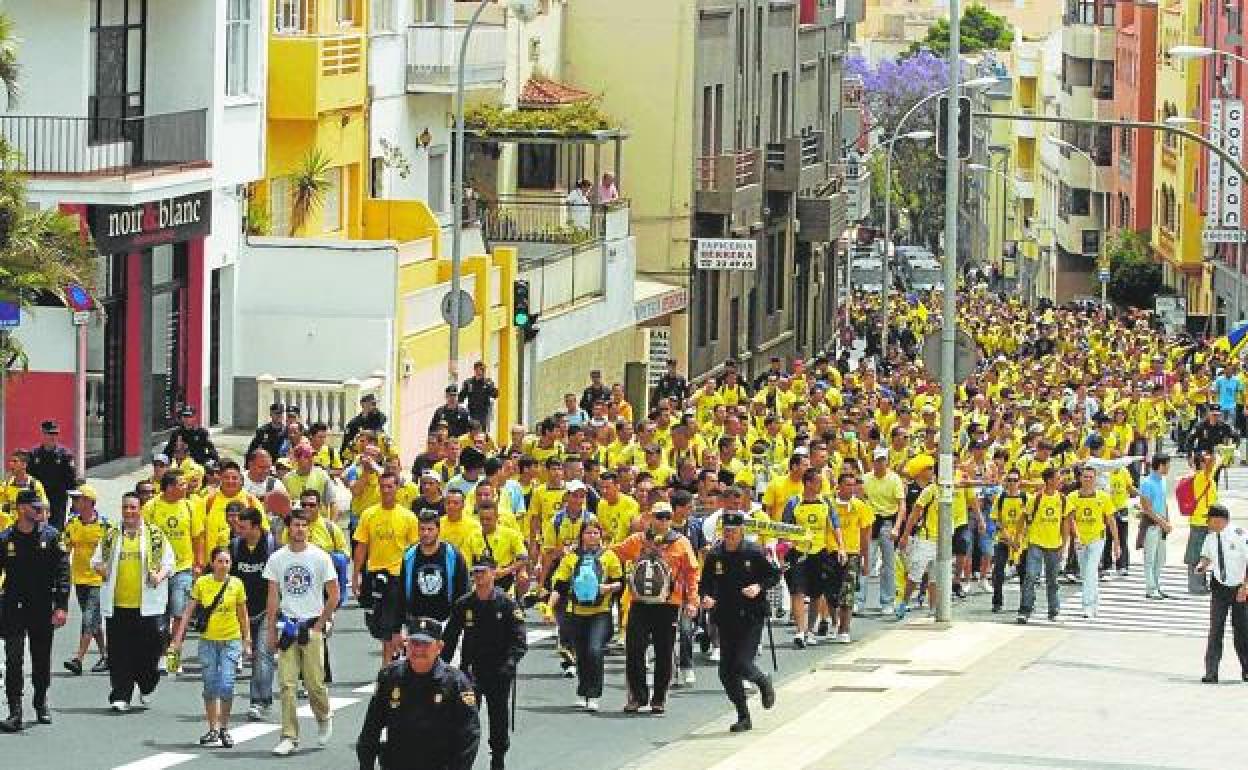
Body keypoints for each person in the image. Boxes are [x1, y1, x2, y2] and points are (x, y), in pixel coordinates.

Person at [356, 617, 480, 770]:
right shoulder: (390, 677)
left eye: (426, 644)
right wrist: (366, 764)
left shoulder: (456, 683)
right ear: (407, 645)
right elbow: (371, 727)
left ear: (439, 647)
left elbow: (469, 735)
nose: (419, 650)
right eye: (414, 643)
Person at [611, 502, 700, 715]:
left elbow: (692, 573)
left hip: (668, 605)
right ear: (650, 517)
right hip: (640, 603)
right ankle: (637, 696)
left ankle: (658, 698)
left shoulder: (681, 543)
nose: (663, 521)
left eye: (667, 517)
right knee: (634, 649)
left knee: (664, 652)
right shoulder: (638, 540)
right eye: (659, 516)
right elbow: (615, 553)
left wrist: (692, 601)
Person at [265, 509, 339, 756]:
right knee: (286, 685)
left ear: (309, 528)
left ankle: (324, 715)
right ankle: (289, 736)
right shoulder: (277, 559)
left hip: (312, 625)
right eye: (295, 525)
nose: (299, 529)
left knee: (314, 683)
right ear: (288, 528)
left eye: (303, 525)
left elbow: (334, 594)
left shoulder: (320, 558)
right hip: (287, 625)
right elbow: (273, 596)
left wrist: (320, 625)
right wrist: (271, 630)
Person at [442, 556, 528, 770]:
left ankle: (498, 757)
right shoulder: (465, 604)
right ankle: (463, 761)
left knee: (498, 717)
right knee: (466, 719)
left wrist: (510, 662)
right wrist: (441, 665)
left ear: (493, 573)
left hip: (499, 670)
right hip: (472, 671)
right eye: (476, 572)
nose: (479, 576)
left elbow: (519, 639)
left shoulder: (507, 604)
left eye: (483, 571)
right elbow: (450, 636)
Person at [92, 492, 174, 713]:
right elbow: (96, 561)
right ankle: (121, 694)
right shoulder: (111, 535)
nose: (129, 512)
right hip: (118, 605)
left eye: (133, 508)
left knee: (148, 651)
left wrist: (159, 576)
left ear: (140, 509)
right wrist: (101, 569)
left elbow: (169, 562)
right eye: (125, 507)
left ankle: (147, 684)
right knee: (119, 652)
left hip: (147, 606)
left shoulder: (155, 535)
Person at [698, 511, 779, 733]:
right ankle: (743, 715)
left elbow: (774, 575)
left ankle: (763, 682)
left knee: (742, 663)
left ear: (742, 531)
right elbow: (705, 583)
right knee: (726, 672)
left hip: (751, 615)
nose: (730, 535)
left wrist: (759, 587)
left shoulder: (753, 552)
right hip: (725, 616)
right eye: (726, 532)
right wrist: (706, 597)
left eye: (733, 531)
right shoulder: (715, 555)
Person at [0, 489, 69, 731]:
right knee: (14, 658)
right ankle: (14, 711)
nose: (40, 511)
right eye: (34, 507)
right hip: (13, 606)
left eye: (41, 507)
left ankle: (40, 701)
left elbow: (63, 573)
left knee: (41, 658)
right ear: (21, 509)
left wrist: (61, 606)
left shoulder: (51, 537)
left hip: (42, 605)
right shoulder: (6, 538)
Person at [171, 545, 251, 749]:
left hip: (230, 641)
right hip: (208, 641)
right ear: (212, 563)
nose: (224, 566)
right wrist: (178, 639)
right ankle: (213, 728)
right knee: (209, 685)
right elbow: (188, 612)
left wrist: (246, 639)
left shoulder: (237, 584)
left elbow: (243, 615)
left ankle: (224, 727)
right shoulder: (202, 583)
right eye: (220, 561)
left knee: (226, 684)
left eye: (227, 562)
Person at [547, 519, 623, 712]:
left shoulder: (609, 556)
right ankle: (583, 691)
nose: (592, 537)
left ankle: (594, 694)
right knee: (581, 653)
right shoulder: (571, 558)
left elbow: (620, 582)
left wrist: (608, 588)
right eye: (588, 533)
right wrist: (549, 608)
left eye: (596, 533)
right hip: (576, 612)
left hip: (600, 612)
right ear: (581, 536)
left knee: (594, 650)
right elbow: (560, 586)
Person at [353, 472, 419, 664]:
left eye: (390, 486)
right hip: (374, 575)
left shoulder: (408, 517)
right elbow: (362, 546)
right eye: (383, 486)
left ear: (397, 488)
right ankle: (397, 658)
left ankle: (387, 668)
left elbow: (415, 550)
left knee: (391, 627)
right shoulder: (369, 514)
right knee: (377, 626)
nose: (386, 490)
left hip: (397, 576)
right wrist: (356, 575)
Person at [229, 508, 277, 721]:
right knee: (249, 656)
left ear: (256, 527)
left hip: (267, 610)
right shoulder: (235, 546)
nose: (238, 530)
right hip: (241, 611)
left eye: (243, 527)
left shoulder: (272, 546)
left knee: (262, 656)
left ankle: (259, 701)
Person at [61, 485, 112, 676]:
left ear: (89, 502)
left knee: (89, 617)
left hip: (98, 580)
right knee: (93, 621)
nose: (74, 503)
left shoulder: (105, 526)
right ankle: (106, 655)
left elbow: (110, 553)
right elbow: (65, 550)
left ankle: (78, 658)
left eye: (78, 499)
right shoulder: (72, 523)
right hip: (79, 578)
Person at [1195, 504, 1248, 683]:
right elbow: (1207, 555)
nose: (1207, 522)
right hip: (1219, 587)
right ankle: (1211, 671)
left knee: (1241, 630)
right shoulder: (1210, 538)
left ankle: (1247, 669)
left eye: (1209, 519)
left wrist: (1245, 587)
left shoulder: (1240, 535)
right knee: (1215, 629)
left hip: (1240, 588)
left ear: (1219, 520)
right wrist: (1202, 565)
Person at [395, 511, 470, 627]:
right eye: (422, 529)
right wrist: (398, 627)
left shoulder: (453, 555)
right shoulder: (409, 555)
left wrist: (458, 623)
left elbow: (463, 591)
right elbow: (401, 592)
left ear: (438, 530)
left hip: (445, 621)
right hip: (415, 621)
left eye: (430, 529)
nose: (425, 533)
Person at [1065, 466, 1119, 619]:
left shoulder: (1103, 497)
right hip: (1080, 540)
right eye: (1085, 477)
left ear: (1095, 479)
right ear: (1080, 478)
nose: (1087, 480)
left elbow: (1111, 520)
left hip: (1097, 539)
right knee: (1086, 574)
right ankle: (1094, 602)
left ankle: (1087, 606)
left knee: (1090, 570)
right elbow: (1070, 519)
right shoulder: (1073, 497)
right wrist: (1074, 537)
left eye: (1090, 477)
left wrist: (1116, 543)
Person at [28, 419, 78, 530]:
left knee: (55, 531)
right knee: (37, 529)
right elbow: (29, 479)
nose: (53, 437)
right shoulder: (34, 454)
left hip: (58, 499)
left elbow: (71, 481)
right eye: (50, 433)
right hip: (38, 498)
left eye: (55, 434)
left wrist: (75, 504)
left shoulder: (65, 455)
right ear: (43, 434)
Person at [1139, 454, 1172, 601]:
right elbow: (1146, 508)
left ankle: (1157, 585)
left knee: (1161, 558)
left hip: (1162, 524)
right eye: (1167, 465)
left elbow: (1164, 502)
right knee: (1150, 558)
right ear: (1159, 465)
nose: (1168, 468)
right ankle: (1150, 588)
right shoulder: (1146, 483)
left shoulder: (1163, 481)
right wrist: (1162, 522)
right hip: (1152, 525)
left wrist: (1167, 520)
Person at [459, 361, 499, 430]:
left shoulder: (488, 382)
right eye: (478, 369)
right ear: (475, 370)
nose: (480, 372)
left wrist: (489, 386)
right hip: (472, 411)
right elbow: (461, 398)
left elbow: (495, 395)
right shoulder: (468, 383)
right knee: (472, 429)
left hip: (484, 412)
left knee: (482, 431)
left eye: (482, 370)